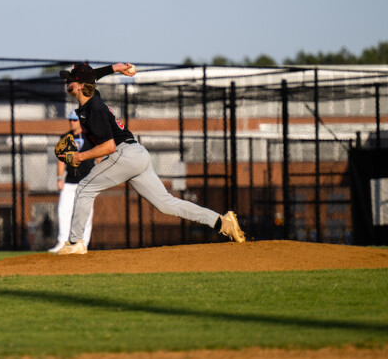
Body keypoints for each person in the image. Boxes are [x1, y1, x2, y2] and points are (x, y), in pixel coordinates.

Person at [55, 62, 245, 255]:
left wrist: (81, 156)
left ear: (79, 85)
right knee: (167, 204)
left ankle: (74, 242)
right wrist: (115, 68)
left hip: (123, 155)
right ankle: (222, 222)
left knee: (85, 188)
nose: (67, 82)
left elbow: (109, 146)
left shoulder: (93, 108)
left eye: (70, 80)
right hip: (137, 154)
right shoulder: (92, 97)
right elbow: (92, 76)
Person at [48, 110, 94, 253]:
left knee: (85, 213)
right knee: (63, 211)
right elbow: (61, 160)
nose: (72, 122)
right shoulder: (66, 137)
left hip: (86, 181)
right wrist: (59, 178)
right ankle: (62, 243)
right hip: (70, 181)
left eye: (74, 120)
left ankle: (83, 244)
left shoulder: (90, 137)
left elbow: (99, 157)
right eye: (70, 120)